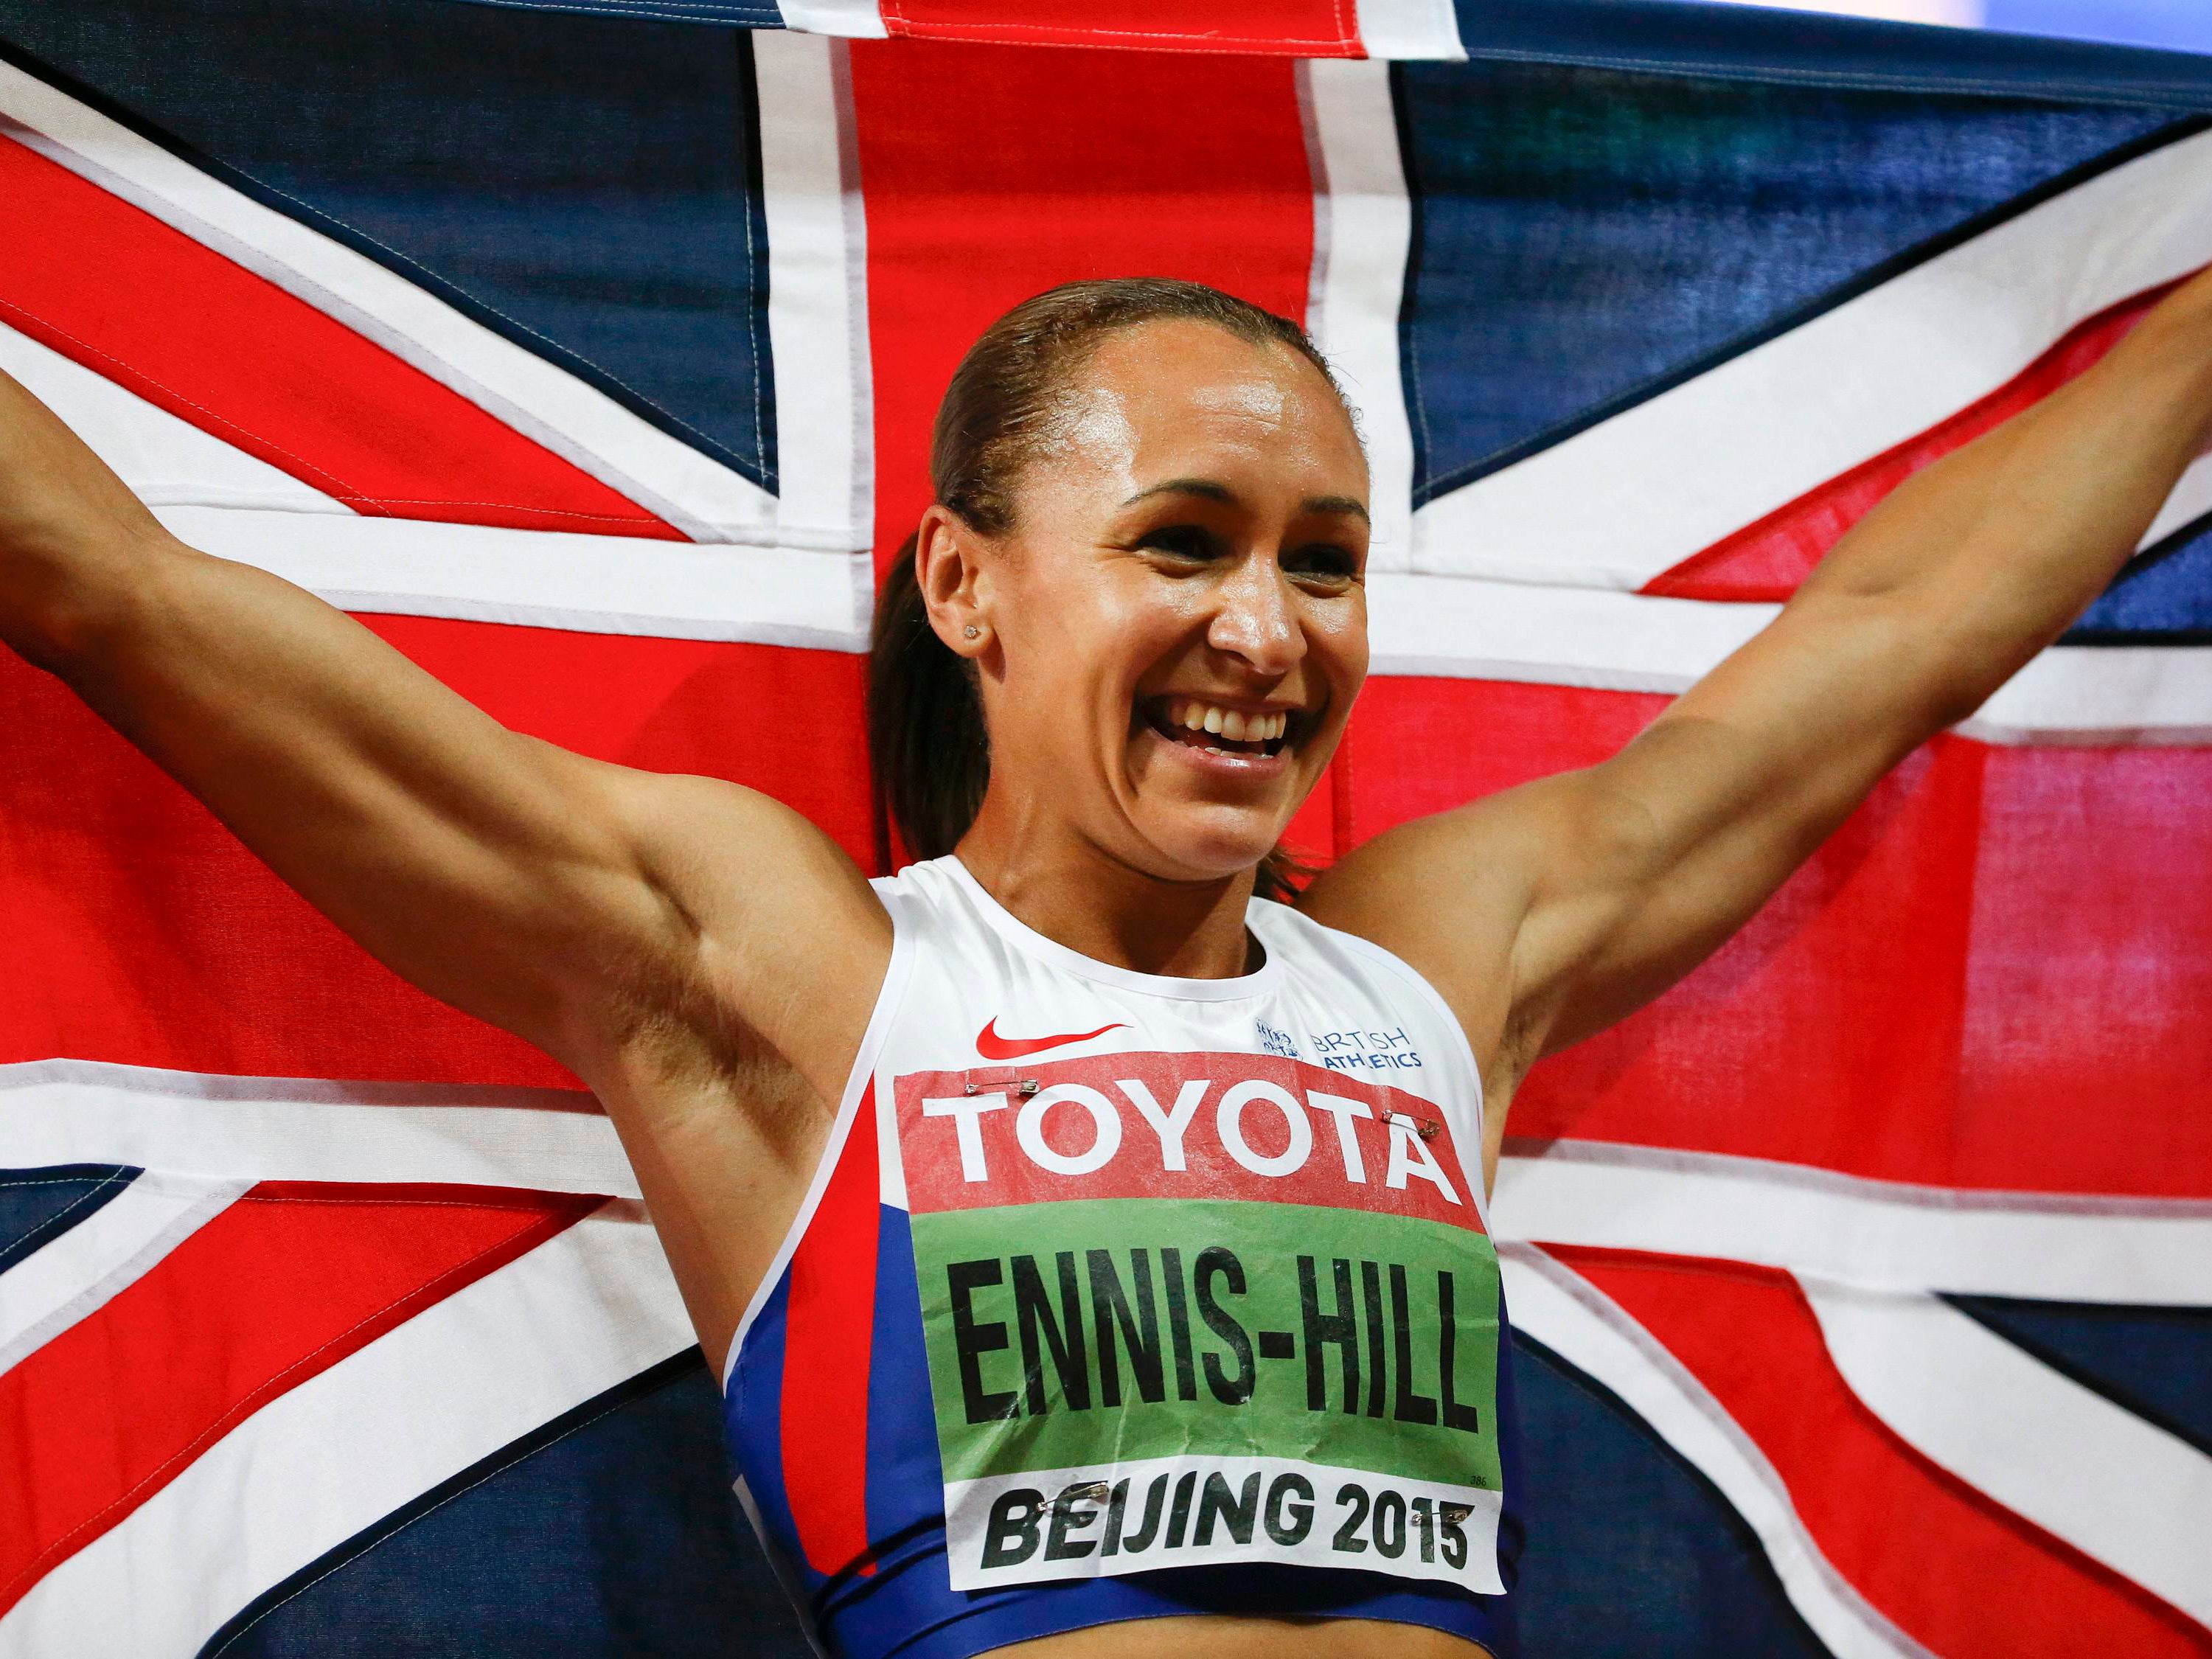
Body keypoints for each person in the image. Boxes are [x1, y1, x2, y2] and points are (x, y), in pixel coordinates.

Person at [2, 271, 2208, 1658]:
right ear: (968, 584)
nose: (1268, 629)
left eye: (1324, 564)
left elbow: (1894, 640)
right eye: (1184, 542)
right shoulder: (791, 978)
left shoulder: (1443, 965)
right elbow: (120, 591)